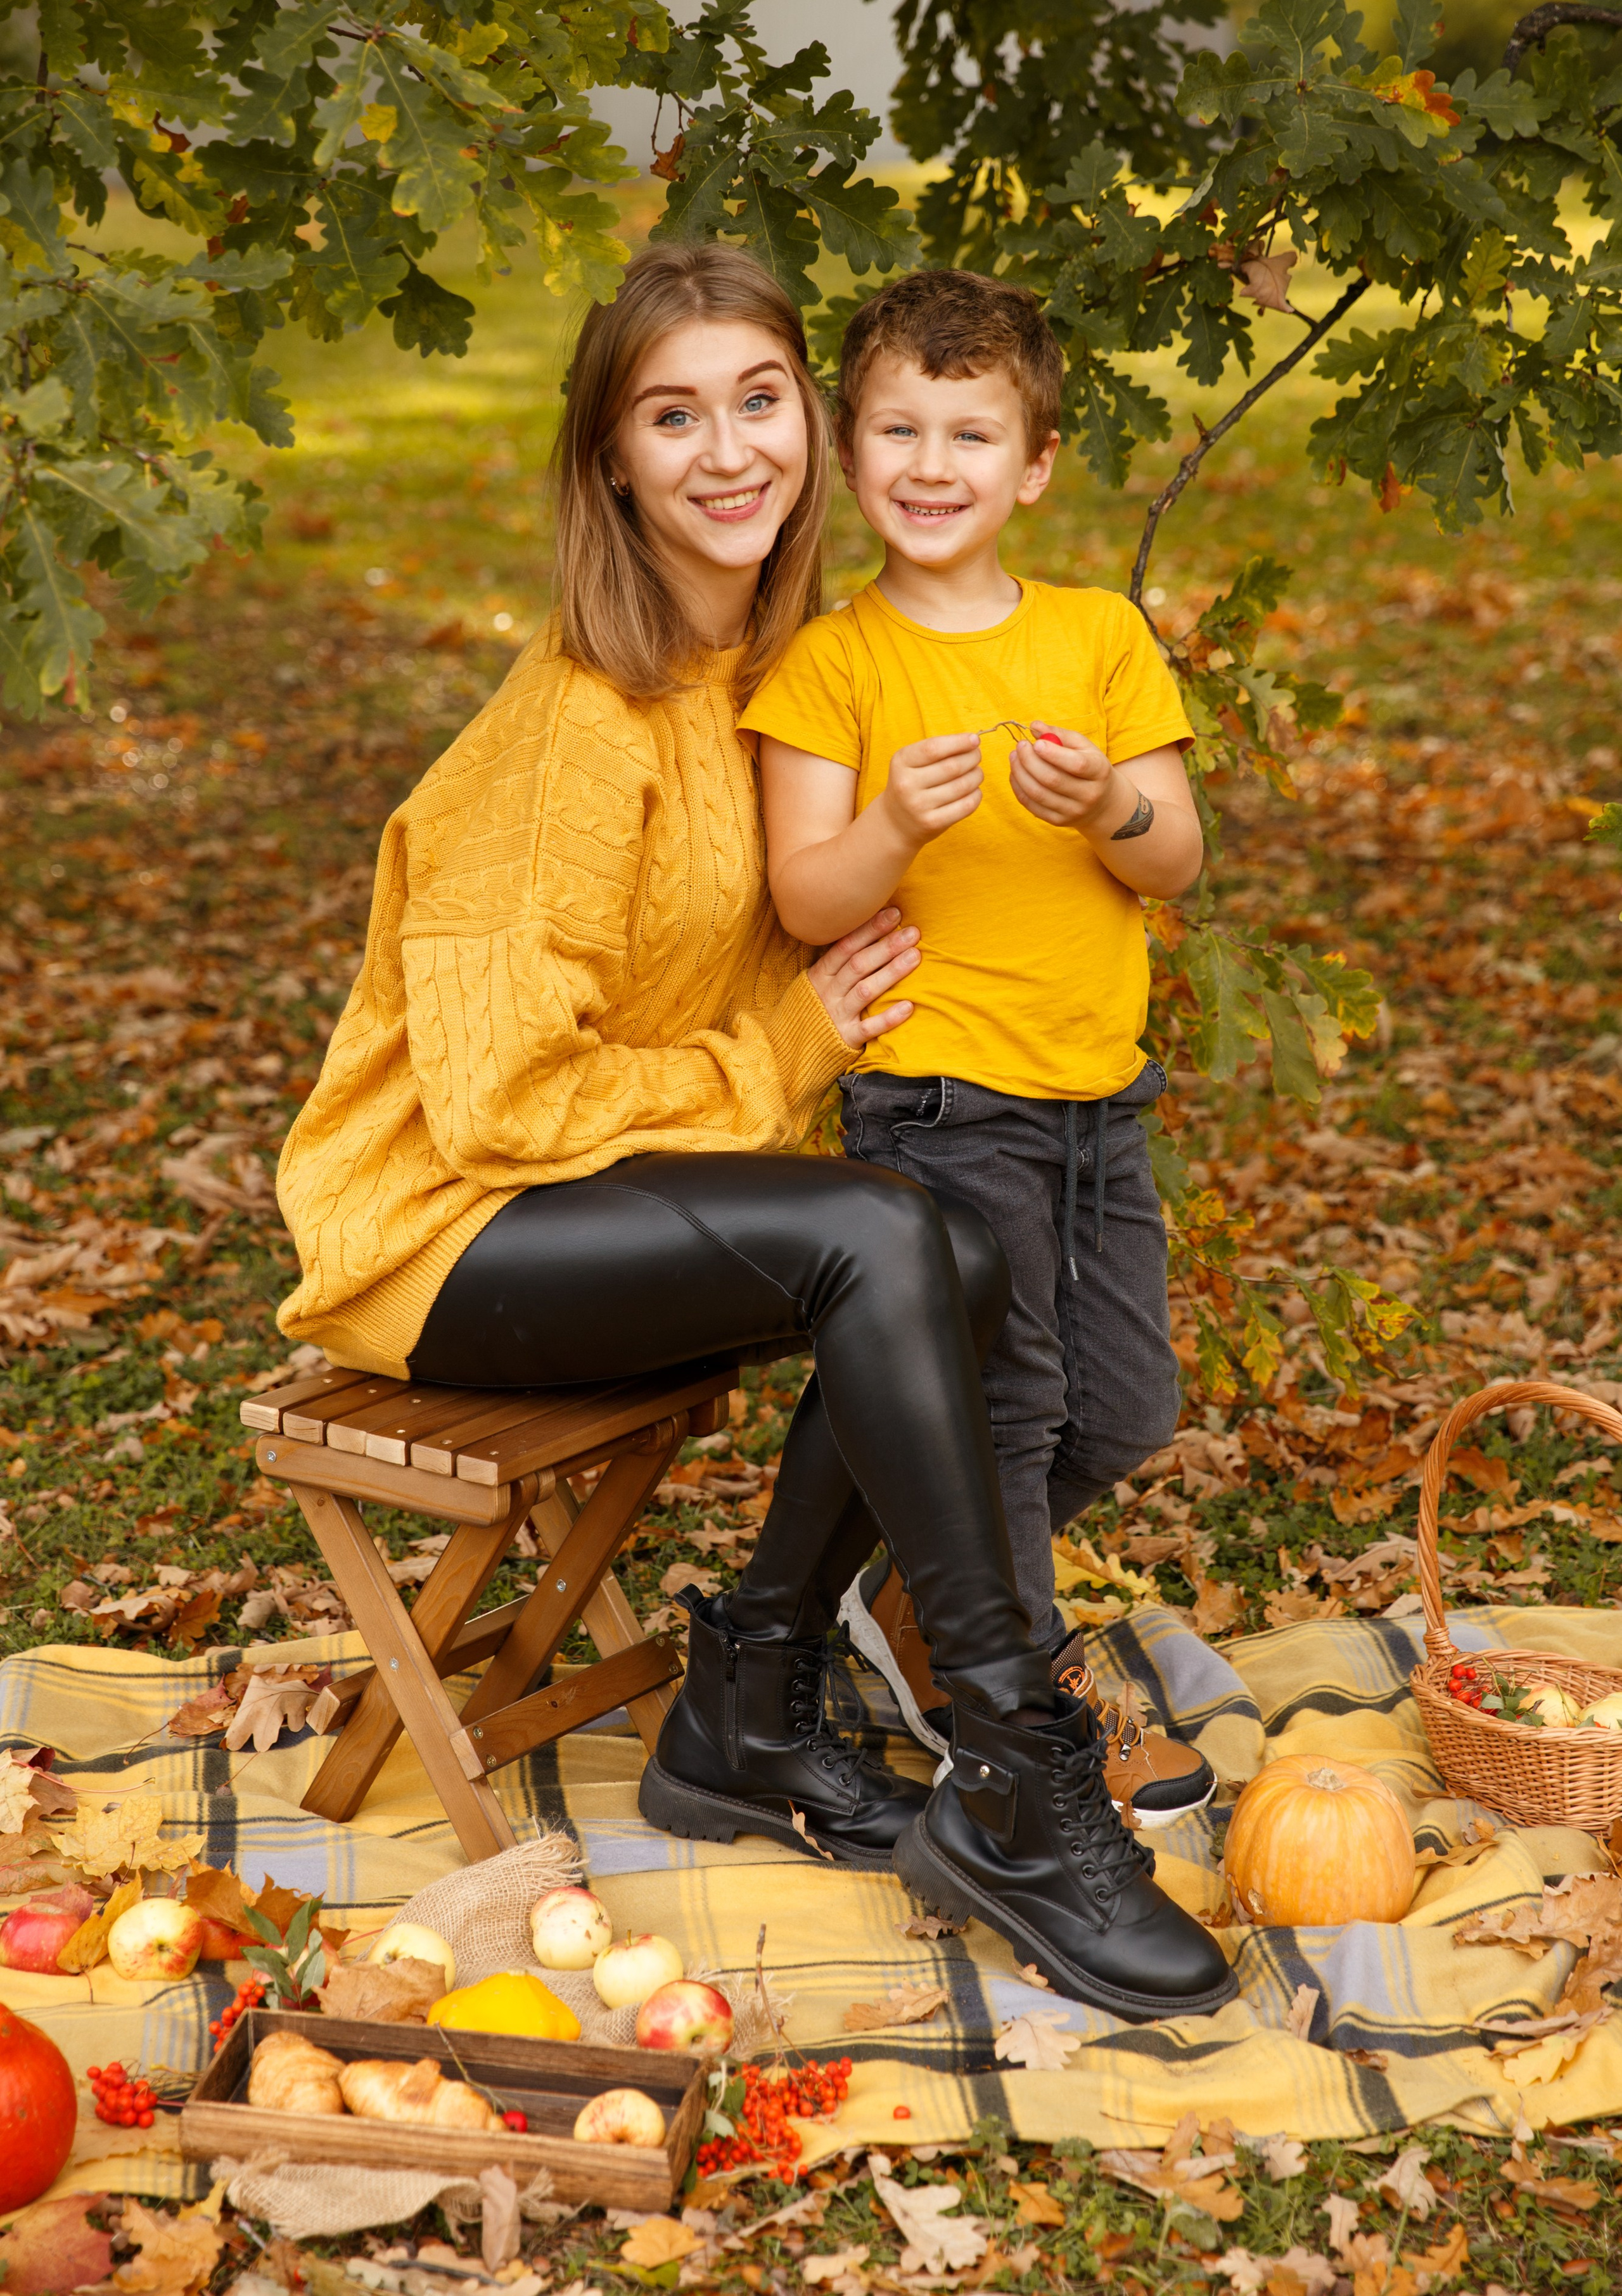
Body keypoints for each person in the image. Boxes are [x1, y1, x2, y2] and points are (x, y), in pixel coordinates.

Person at [275, 241, 1234, 2020]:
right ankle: (1019, 1773)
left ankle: (746, 1703)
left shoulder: (771, 675)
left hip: (599, 1188)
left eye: (756, 397)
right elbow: (496, 1107)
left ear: (807, 423)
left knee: (936, 1248)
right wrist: (781, 1046)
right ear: (613, 462)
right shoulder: (571, 728)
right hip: (442, 1235)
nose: (725, 448)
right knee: (885, 1234)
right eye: (669, 413)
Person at [740, 267, 1214, 1826]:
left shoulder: (1093, 638)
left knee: (1124, 1410)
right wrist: (888, 822)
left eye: (968, 432)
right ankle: (1016, 1694)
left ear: (1033, 467)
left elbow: (1175, 857)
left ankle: (909, 1599)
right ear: (847, 446)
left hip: (1097, 1104)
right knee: (1006, 1413)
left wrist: (1105, 808)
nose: (930, 465)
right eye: (896, 428)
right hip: (937, 1101)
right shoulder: (834, 664)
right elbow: (808, 893)